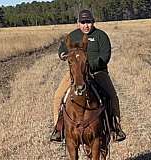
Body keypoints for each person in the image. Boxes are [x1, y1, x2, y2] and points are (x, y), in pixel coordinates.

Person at [50, 9, 126, 142]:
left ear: (93, 22)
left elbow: (105, 56)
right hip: (76, 74)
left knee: (112, 96)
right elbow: (62, 48)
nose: (86, 25)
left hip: (98, 72)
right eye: (83, 22)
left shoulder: (101, 36)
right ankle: (58, 129)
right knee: (57, 96)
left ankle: (116, 127)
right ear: (78, 23)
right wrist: (64, 55)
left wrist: (90, 66)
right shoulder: (72, 35)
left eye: (89, 22)